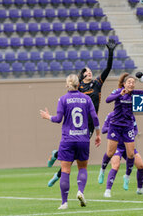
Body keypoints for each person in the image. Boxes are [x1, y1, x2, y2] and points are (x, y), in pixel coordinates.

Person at [47, 39, 117, 187]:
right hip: (78, 124)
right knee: (71, 156)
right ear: (82, 76)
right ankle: (57, 170)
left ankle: (56, 159)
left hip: (90, 125)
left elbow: (108, 68)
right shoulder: (78, 90)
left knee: (74, 156)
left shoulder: (97, 83)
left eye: (90, 71)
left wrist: (110, 53)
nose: (89, 72)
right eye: (86, 71)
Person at [39, 74, 101, 210]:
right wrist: (97, 134)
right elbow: (95, 117)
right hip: (83, 139)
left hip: (68, 139)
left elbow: (58, 119)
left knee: (65, 170)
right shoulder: (86, 99)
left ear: (67, 85)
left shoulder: (63, 99)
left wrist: (47, 116)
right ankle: (80, 191)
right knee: (82, 168)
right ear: (79, 84)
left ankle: (64, 203)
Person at [99, 73, 143, 186]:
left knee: (131, 154)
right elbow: (107, 100)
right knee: (110, 153)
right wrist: (119, 95)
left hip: (127, 127)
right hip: (115, 126)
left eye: (133, 82)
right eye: (129, 82)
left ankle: (127, 176)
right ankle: (102, 170)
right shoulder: (118, 91)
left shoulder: (135, 94)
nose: (131, 84)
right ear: (124, 84)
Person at [100, 111, 143, 197]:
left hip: (128, 145)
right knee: (115, 166)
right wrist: (115, 130)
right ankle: (107, 191)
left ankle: (140, 189)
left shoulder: (130, 115)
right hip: (117, 146)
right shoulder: (111, 115)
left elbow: (135, 129)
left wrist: (129, 135)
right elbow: (104, 129)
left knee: (141, 165)